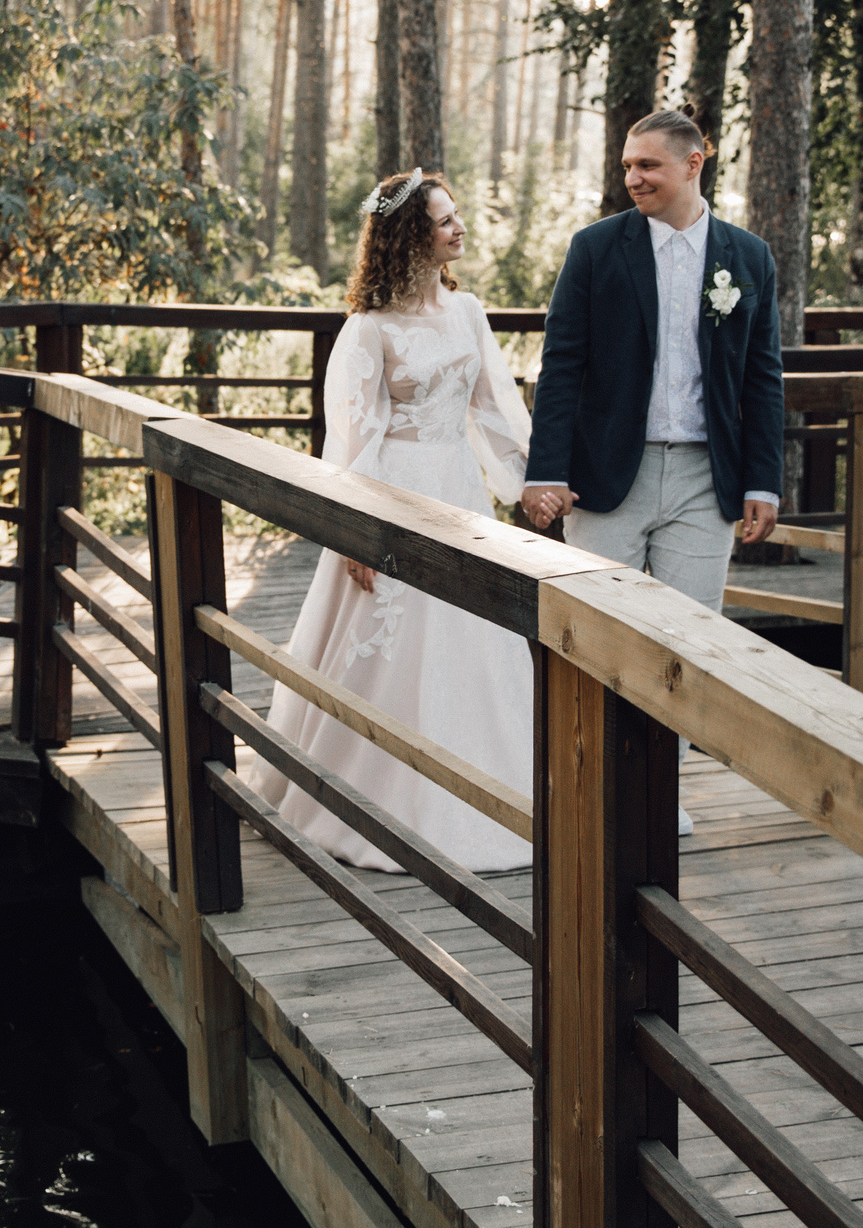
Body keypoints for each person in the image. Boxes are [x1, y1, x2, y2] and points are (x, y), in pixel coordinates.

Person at [248, 170, 537, 873]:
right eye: (444, 220)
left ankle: (499, 788)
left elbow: (495, 408)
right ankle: (371, 790)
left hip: (460, 492)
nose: (459, 228)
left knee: (475, 638)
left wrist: (533, 485)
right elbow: (351, 440)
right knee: (393, 639)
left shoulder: (468, 313)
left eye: (457, 215)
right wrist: (355, 531)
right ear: (411, 235)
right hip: (395, 493)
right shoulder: (367, 330)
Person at [518, 109, 786, 835]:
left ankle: (659, 796)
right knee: (598, 635)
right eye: (628, 165)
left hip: (707, 479)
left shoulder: (748, 257)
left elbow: (763, 374)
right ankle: (590, 788)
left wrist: (763, 480)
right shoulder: (596, 249)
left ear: (694, 163)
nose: (632, 177)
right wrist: (545, 470)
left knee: (687, 645)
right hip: (608, 478)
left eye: (648, 166)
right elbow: (561, 365)